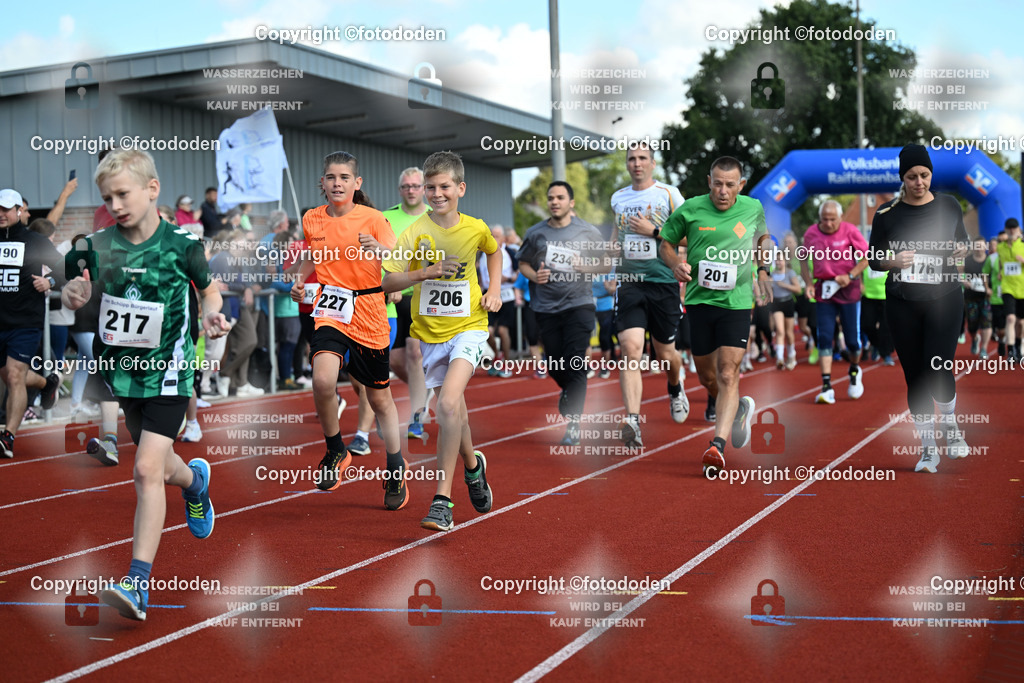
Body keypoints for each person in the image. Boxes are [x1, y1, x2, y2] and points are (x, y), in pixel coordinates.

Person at [61, 149, 230, 620]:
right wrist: (73, 292)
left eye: (123, 193)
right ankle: (195, 481)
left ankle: (137, 583)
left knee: (143, 470)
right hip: (122, 373)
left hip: (171, 371)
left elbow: (208, 289)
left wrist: (213, 314)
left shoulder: (183, 244)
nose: (115, 204)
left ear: (152, 189)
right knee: (162, 467)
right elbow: (75, 287)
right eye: (107, 197)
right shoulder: (95, 245)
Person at [382, 150, 501, 532]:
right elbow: (387, 280)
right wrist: (425, 273)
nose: (436, 193)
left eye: (444, 186)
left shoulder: (475, 227)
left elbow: (494, 252)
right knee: (454, 413)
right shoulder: (415, 231)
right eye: (430, 187)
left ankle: (441, 500)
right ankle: (472, 467)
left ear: (460, 188)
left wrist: (494, 288)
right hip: (430, 335)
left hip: (469, 326)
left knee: (448, 403)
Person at [288, 150, 407, 510]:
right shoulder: (312, 218)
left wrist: (380, 253)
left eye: (344, 178)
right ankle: (336, 450)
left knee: (379, 398)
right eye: (330, 177)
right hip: (331, 310)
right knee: (323, 380)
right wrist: (297, 279)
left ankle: (395, 464)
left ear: (357, 184)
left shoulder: (373, 218)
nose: (336, 183)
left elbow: (396, 259)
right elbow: (312, 252)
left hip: (369, 312)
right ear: (321, 182)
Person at [659, 156, 773, 474]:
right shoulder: (691, 209)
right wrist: (674, 263)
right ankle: (738, 409)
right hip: (699, 302)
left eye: (730, 184)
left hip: (737, 303)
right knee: (707, 377)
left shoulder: (752, 208)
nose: (723, 191)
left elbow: (763, 239)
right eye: (718, 183)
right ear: (709, 181)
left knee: (727, 373)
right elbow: (665, 243)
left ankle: (716, 445)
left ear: (741, 185)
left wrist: (763, 270)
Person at [868, 144, 970, 473]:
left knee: (938, 368)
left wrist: (960, 250)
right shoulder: (886, 214)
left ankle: (952, 428)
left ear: (931, 175)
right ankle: (928, 450)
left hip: (944, 299)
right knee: (915, 378)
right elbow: (874, 260)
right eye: (912, 176)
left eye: (924, 175)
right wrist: (893, 260)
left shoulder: (949, 205)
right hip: (902, 303)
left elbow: (962, 242)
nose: (919, 182)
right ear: (902, 178)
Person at [517, 181, 611, 445]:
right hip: (546, 308)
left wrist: (586, 268)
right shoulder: (536, 233)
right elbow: (523, 263)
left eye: (560, 197)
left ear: (571, 203)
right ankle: (568, 391)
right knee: (555, 364)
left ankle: (574, 423)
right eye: (550, 198)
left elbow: (605, 264)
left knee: (575, 362)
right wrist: (536, 276)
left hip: (579, 305)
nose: (554, 202)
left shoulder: (587, 231)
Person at [609, 142, 687, 448]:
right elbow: (616, 236)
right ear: (627, 164)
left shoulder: (669, 193)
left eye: (642, 158)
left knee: (666, 352)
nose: (636, 163)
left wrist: (653, 231)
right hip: (630, 282)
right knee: (630, 349)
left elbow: (687, 235)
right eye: (631, 158)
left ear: (652, 163)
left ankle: (675, 386)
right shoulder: (618, 197)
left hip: (663, 281)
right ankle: (632, 420)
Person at [0, 190, 63, 458]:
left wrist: (50, 282)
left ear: (19, 210)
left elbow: (65, 266)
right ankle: (45, 384)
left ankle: (7, 436)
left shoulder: (34, 241)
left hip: (25, 321)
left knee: (14, 375)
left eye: (5, 209)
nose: (1, 214)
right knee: (8, 375)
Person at [800, 200, 869, 404]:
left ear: (840, 218)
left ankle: (855, 370)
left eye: (832, 220)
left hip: (848, 290)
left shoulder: (850, 231)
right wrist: (808, 283)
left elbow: (866, 257)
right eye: (824, 219)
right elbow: (803, 259)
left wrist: (850, 275)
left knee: (852, 342)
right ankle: (826, 385)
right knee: (824, 337)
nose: (828, 224)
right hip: (824, 291)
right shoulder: (811, 233)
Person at [381, 168, 431, 440]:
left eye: (415, 186)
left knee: (415, 354)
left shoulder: (436, 217)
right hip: (392, 295)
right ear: (400, 189)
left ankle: (416, 416)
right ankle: (424, 391)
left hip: (422, 295)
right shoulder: (386, 217)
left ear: (423, 188)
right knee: (394, 359)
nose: (411, 190)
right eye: (406, 186)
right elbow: (377, 256)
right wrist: (389, 283)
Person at [996, 218, 1024, 360]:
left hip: (1022, 288)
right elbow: (1001, 263)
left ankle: (1018, 347)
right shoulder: (1000, 247)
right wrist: (1000, 272)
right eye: (1009, 228)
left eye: (1014, 228)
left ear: (1018, 229)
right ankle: (1011, 351)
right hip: (1008, 288)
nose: (1012, 230)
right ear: (1006, 230)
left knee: (1021, 322)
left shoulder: (1023, 245)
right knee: (1011, 318)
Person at [769, 250, 801, 370]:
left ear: (785, 261)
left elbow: (798, 289)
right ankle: (780, 358)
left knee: (789, 332)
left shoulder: (790, 273)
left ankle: (792, 355)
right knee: (780, 331)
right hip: (777, 303)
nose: (778, 262)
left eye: (780, 260)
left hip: (788, 302)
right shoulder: (772, 274)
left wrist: (785, 285)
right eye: (776, 260)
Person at [962, 236, 993, 359]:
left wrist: (991, 288)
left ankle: (984, 349)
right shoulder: (967, 260)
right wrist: (964, 281)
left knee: (987, 323)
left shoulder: (990, 260)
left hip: (986, 297)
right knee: (972, 326)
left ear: (985, 247)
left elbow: (997, 274)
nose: (979, 249)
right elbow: (958, 272)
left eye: (981, 246)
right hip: (971, 297)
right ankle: (975, 338)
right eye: (977, 246)